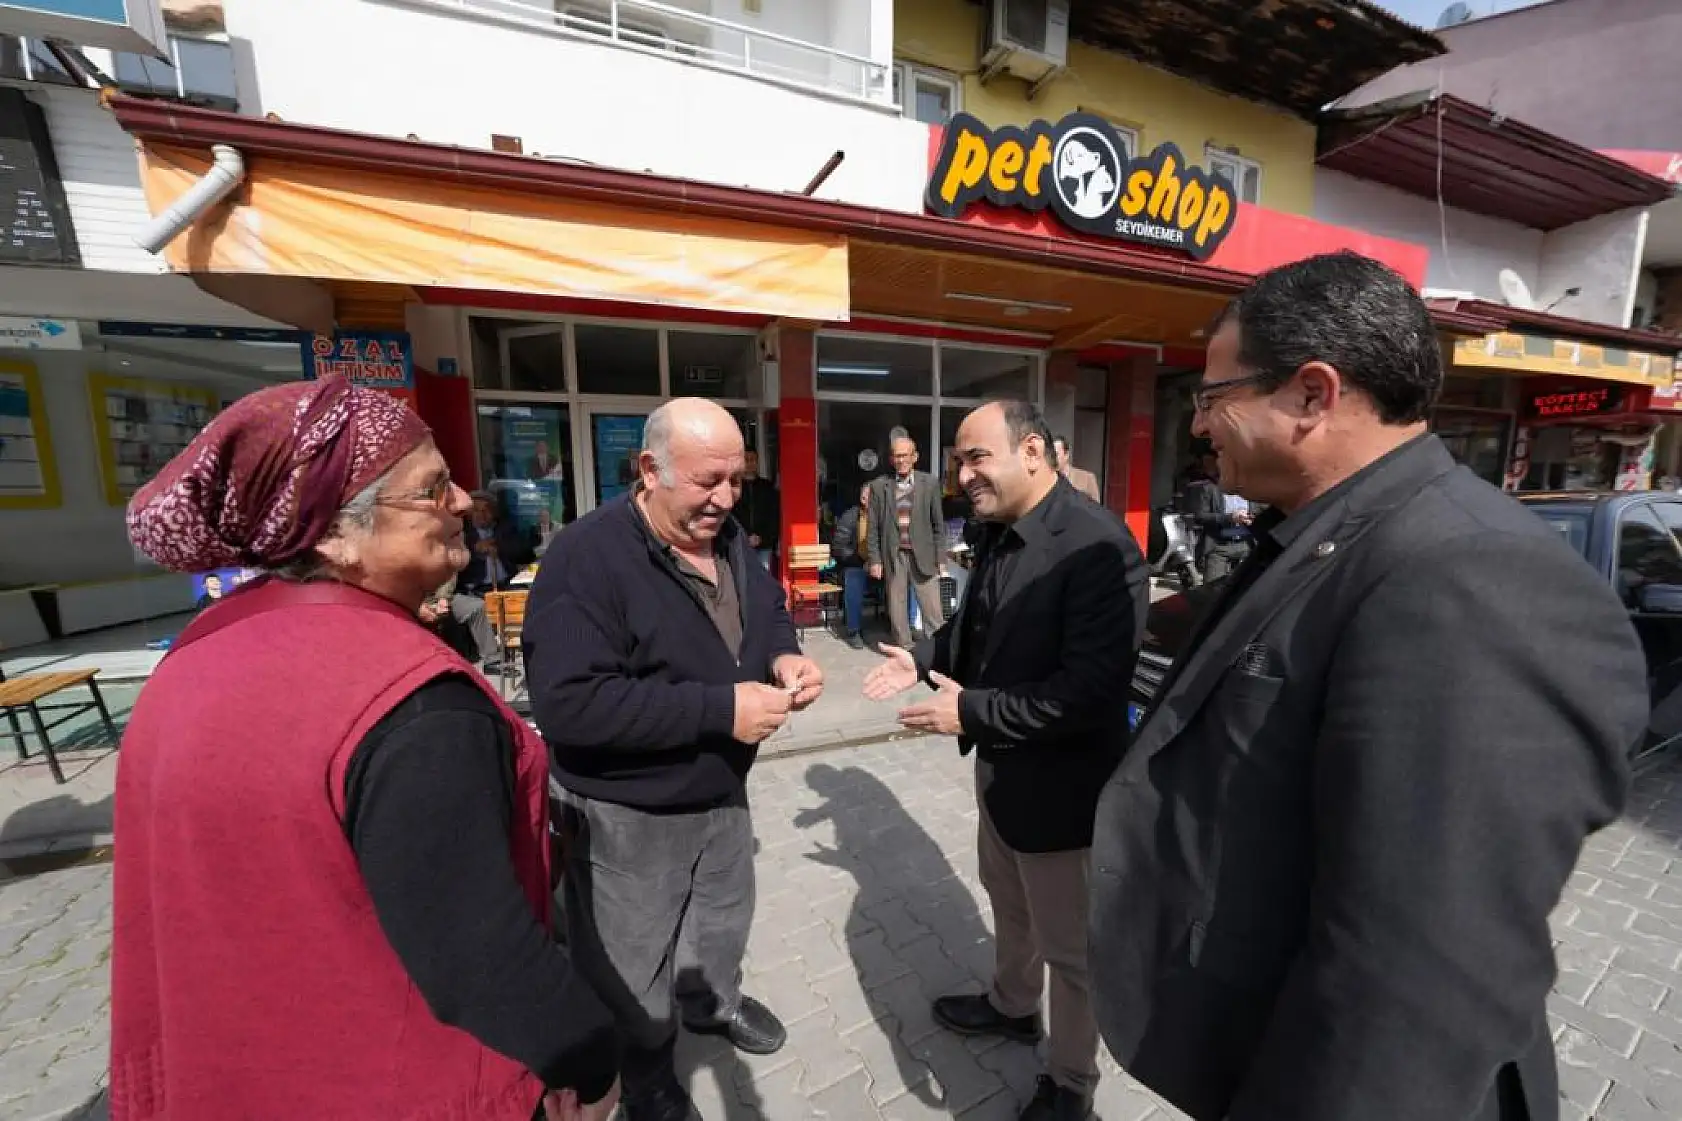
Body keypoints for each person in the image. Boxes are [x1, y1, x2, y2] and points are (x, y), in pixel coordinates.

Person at [1088, 253, 1647, 1121]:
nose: (1197, 425)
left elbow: (1416, 980)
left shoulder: (1471, 578)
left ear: (1313, 394)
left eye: (1211, 396)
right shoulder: (1335, 534)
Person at [112, 378, 620, 1121]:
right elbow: (480, 956)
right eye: (432, 489)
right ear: (331, 534)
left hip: (232, 1075)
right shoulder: (413, 700)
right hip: (401, 1082)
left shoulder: (196, 654)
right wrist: (591, 1064)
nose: (462, 501)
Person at [525, 398, 825, 1121]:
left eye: (736, 479)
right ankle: (647, 1077)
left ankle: (712, 1003)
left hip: (721, 789)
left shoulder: (727, 536)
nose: (726, 498)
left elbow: (765, 608)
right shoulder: (584, 557)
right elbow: (569, 705)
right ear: (649, 469)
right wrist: (721, 711)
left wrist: (784, 654)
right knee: (631, 965)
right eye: (707, 480)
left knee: (722, 916)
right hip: (627, 811)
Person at [863, 401, 1148, 1121]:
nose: (963, 476)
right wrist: (921, 658)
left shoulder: (1096, 545)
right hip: (1002, 779)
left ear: (1033, 452)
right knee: (1009, 905)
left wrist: (970, 712)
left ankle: (1072, 1085)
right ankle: (1014, 1006)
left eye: (976, 458)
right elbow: (974, 626)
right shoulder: (1000, 531)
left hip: (1064, 796)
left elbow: (1087, 693)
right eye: (958, 461)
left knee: (1071, 955)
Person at [867, 429, 946, 650]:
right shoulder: (879, 487)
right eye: (897, 456)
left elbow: (938, 525)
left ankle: (938, 649)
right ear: (891, 459)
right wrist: (875, 560)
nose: (901, 460)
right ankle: (905, 649)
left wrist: (941, 558)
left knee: (932, 607)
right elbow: (873, 528)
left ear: (915, 457)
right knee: (897, 607)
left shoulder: (929, 483)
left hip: (924, 554)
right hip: (894, 554)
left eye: (905, 455)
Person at [1180, 443, 1254, 582]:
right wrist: (1229, 518)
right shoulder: (1209, 488)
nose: (1208, 466)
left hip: (1246, 545)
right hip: (1219, 546)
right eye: (1205, 462)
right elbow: (1200, 516)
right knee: (1213, 588)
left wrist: (1252, 516)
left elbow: (1263, 508)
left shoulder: (1250, 487)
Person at [460, 491, 535, 595]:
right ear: (469, 514)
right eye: (476, 510)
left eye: (486, 510)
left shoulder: (505, 529)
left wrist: (499, 545)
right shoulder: (462, 534)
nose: (482, 514)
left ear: (494, 512)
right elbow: (458, 564)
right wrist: (477, 550)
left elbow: (527, 554)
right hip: (477, 587)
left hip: (508, 583)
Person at [829, 481, 873, 649]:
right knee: (854, 579)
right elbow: (838, 548)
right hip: (854, 564)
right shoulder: (850, 517)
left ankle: (904, 629)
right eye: (872, 496)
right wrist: (861, 561)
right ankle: (853, 630)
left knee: (904, 574)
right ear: (863, 498)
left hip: (879, 564)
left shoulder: (884, 515)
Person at [736, 447, 781, 569]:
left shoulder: (767, 487)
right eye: (746, 459)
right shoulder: (734, 488)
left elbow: (774, 516)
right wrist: (744, 537)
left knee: (763, 577)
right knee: (742, 577)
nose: (750, 463)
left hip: (764, 546)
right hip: (739, 544)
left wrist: (763, 538)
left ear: (757, 462)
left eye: (753, 459)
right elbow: (731, 516)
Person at [1051, 435, 1100, 503]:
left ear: (1066, 455)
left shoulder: (1087, 478)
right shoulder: (1047, 480)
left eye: (1056, 454)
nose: (1053, 459)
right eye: (1051, 455)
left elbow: (1095, 507)